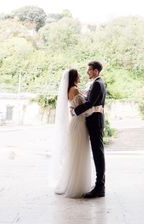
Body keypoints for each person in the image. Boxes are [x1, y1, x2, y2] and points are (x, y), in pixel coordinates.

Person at [52, 68, 93, 198]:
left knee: (75, 153)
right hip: (79, 123)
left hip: (75, 122)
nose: (80, 76)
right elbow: (83, 107)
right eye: (78, 75)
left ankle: (72, 182)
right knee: (79, 153)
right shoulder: (74, 89)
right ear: (74, 77)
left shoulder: (70, 90)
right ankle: (78, 185)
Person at [73, 61, 106, 198]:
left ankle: (100, 187)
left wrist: (75, 111)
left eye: (90, 70)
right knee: (97, 152)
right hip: (94, 120)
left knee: (98, 153)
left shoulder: (98, 84)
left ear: (96, 71)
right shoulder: (96, 83)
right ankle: (99, 185)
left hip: (95, 120)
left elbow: (91, 103)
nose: (87, 72)